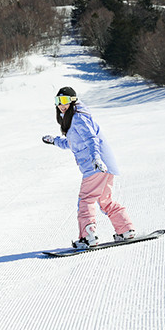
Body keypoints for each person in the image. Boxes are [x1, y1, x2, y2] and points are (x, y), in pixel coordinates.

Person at [42, 87, 136, 248]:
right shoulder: (73, 118)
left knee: (86, 199)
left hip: (95, 164)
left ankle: (88, 237)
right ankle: (126, 230)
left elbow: (91, 139)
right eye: (58, 101)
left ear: (73, 100)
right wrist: (54, 141)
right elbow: (71, 143)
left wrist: (96, 158)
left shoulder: (78, 117)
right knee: (105, 200)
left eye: (64, 101)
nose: (61, 105)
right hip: (103, 163)